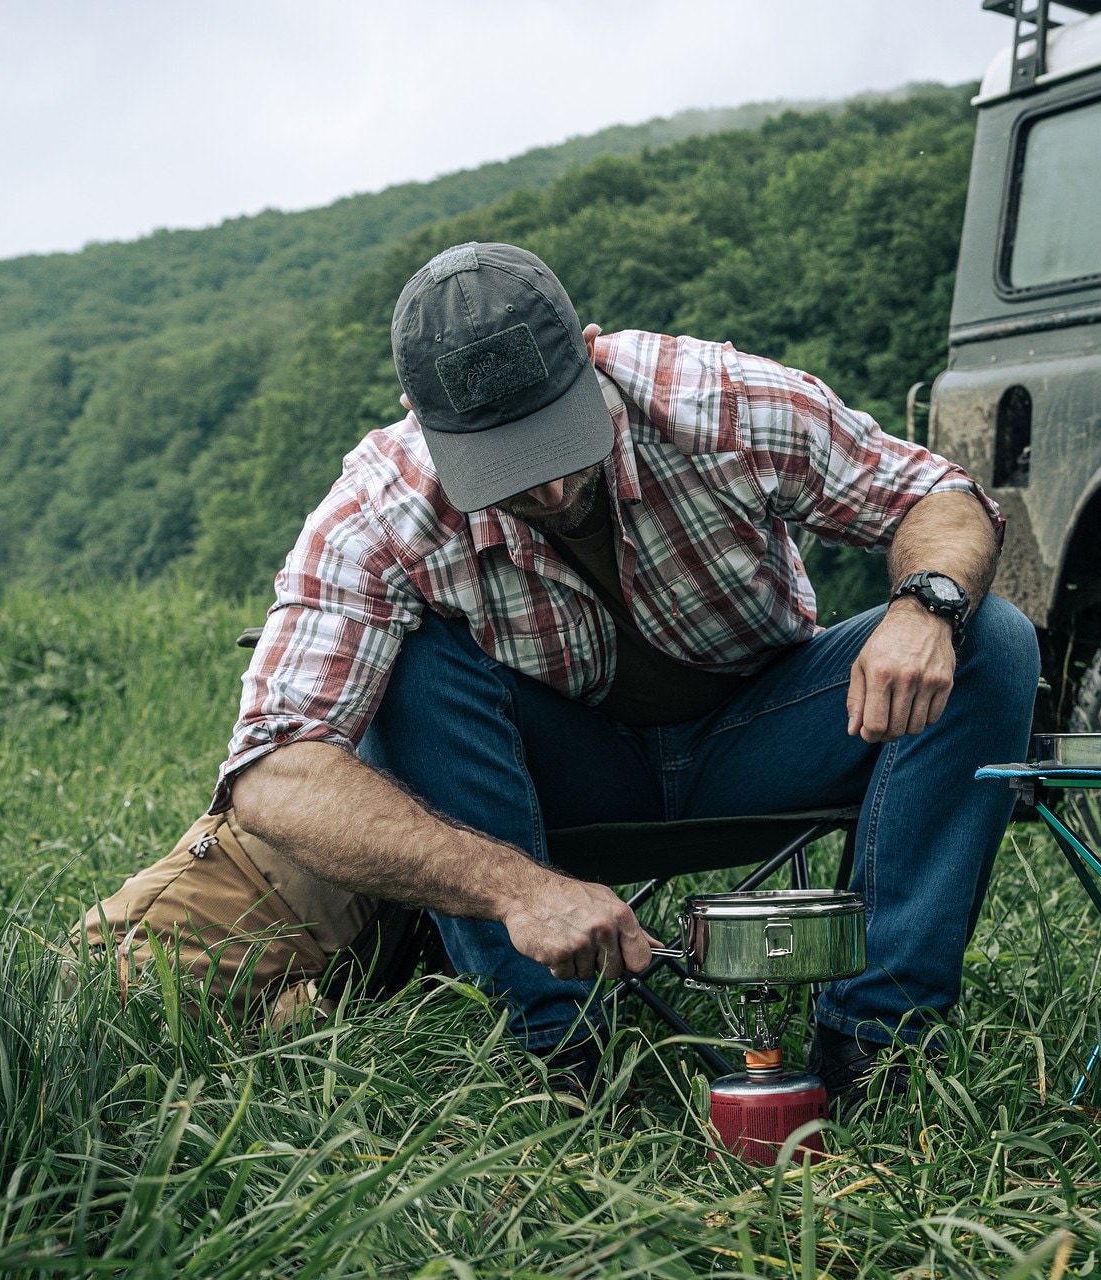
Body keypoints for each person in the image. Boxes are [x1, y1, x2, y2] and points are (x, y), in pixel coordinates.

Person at [221, 241, 1038, 1097]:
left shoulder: (719, 399)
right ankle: (555, 1059)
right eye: (501, 463)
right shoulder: (377, 509)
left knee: (991, 636)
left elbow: (933, 496)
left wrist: (925, 605)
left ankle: (879, 1044)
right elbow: (273, 768)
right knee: (411, 664)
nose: (543, 489)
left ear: (590, 351)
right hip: (558, 773)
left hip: (761, 734)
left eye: (554, 440)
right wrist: (516, 890)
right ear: (419, 419)